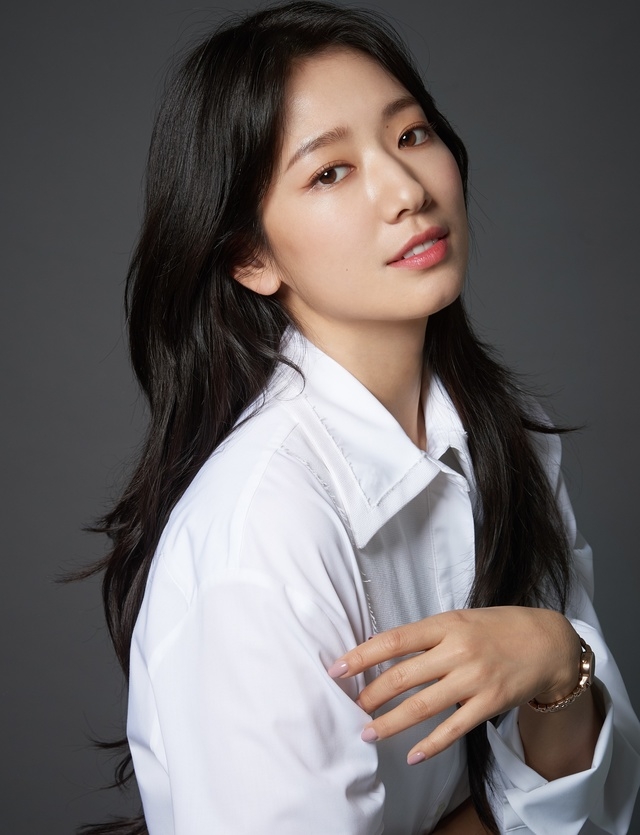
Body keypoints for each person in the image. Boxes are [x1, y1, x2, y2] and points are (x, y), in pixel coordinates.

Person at [86, 2, 640, 833]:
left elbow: (600, 811)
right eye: (330, 172)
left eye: (411, 134)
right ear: (250, 255)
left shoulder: (504, 429)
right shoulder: (263, 530)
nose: (409, 191)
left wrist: (559, 659)